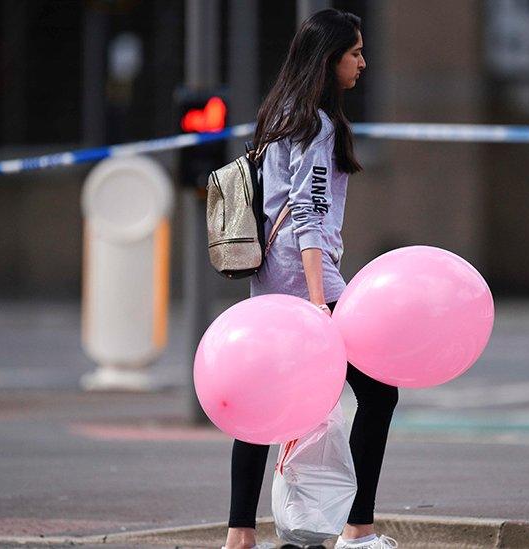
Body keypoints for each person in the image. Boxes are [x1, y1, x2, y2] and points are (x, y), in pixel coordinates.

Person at [222, 9, 399, 549]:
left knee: (260, 405)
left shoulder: (279, 114)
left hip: (269, 287)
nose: (363, 63)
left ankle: (239, 537)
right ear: (330, 61)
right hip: (308, 289)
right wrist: (320, 304)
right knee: (379, 394)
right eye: (355, 53)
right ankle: (358, 528)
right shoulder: (317, 125)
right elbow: (308, 215)